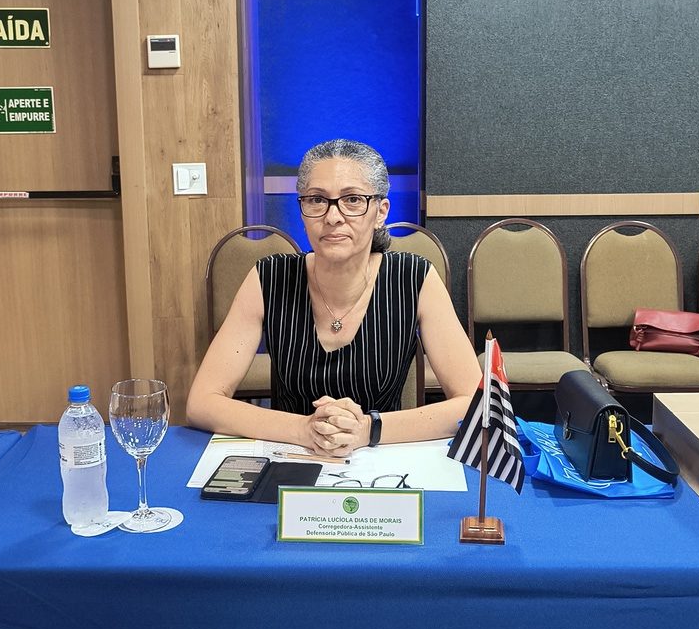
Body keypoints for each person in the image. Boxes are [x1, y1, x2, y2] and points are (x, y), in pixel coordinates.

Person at [186, 139, 482, 457]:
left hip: (382, 460)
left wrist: (367, 429)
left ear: (381, 212)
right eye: (317, 200)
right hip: (292, 456)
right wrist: (303, 429)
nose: (333, 216)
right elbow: (202, 403)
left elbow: (474, 403)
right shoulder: (268, 277)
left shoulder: (415, 278)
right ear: (302, 210)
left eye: (352, 199)